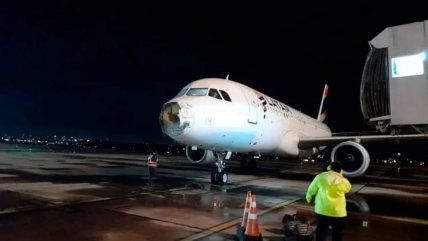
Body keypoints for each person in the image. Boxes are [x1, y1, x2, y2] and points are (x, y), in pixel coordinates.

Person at [306, 161, 351, 241]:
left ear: (329, 168)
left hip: (322, 210)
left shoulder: (320, 177)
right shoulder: (343, 181)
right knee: (337, 233)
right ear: (341, 170)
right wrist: (341, 175)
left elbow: (311, 190)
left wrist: (309, 199)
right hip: (337, 212)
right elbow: (348, 189)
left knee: (321, 232)